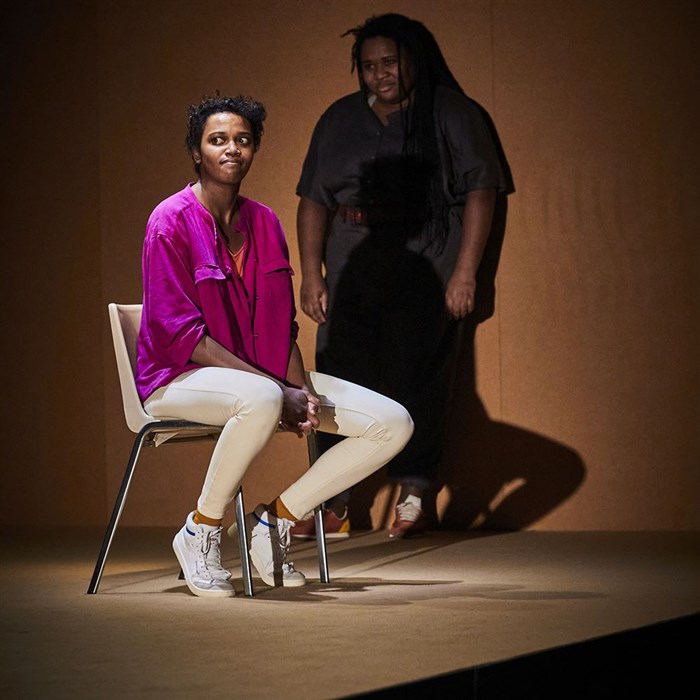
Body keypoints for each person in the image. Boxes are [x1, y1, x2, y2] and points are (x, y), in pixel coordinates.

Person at [134, 94, 413, 598]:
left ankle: (275, 523)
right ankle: (201, 529)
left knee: (393, 423)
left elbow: (282, 326)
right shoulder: (169, 221)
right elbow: (183, 337)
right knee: (261, 397)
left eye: (243, 140)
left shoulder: (264, 222)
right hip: (176, 379)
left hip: (261, 379)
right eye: (217, 140)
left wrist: (301, 391)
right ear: (196, 152)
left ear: (254, 149)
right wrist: (275, 389)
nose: (232, 149)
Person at [293, 13, 513, 539]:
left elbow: (481, 192)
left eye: (389, 62)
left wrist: (466, 272)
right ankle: (331, 496)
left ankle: (415, 492)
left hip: (429, 260)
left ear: (413, 60)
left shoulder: (453, 112)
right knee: (336, 379)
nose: (379, 74)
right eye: (368, 65)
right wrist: (311, 274)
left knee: (421, 376)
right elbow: (314, 200)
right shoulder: (339, 118)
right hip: (353, 260)